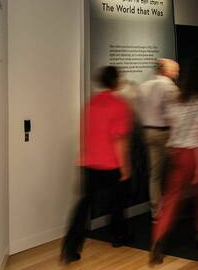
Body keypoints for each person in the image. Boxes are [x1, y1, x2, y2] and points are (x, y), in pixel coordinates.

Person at [61, 66, 133, 264]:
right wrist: (125, 167)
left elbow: (86, 133)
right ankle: (118, 236)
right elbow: (119, 139)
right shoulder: (119, 105)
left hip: (88, 162)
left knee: (84, 205)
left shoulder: (91, 103)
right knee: (118, 201)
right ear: (116, 81)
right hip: (110, 164)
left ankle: (70, 248)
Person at [150, 59, 198, 265]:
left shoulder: (176, 100)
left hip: (176, 152)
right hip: (194, 154)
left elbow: (171, 127)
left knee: (170, 198)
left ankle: (158, 241)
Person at [138, 58, 180, 219]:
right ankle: (171, 209)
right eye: (175, 70)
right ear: (166, 70)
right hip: (166, 134)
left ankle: (156, 211)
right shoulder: (170, 88)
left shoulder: (143, 87)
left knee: (154, 175)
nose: (176, 73)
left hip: (148, 132)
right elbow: (175, 114)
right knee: (173, 172)